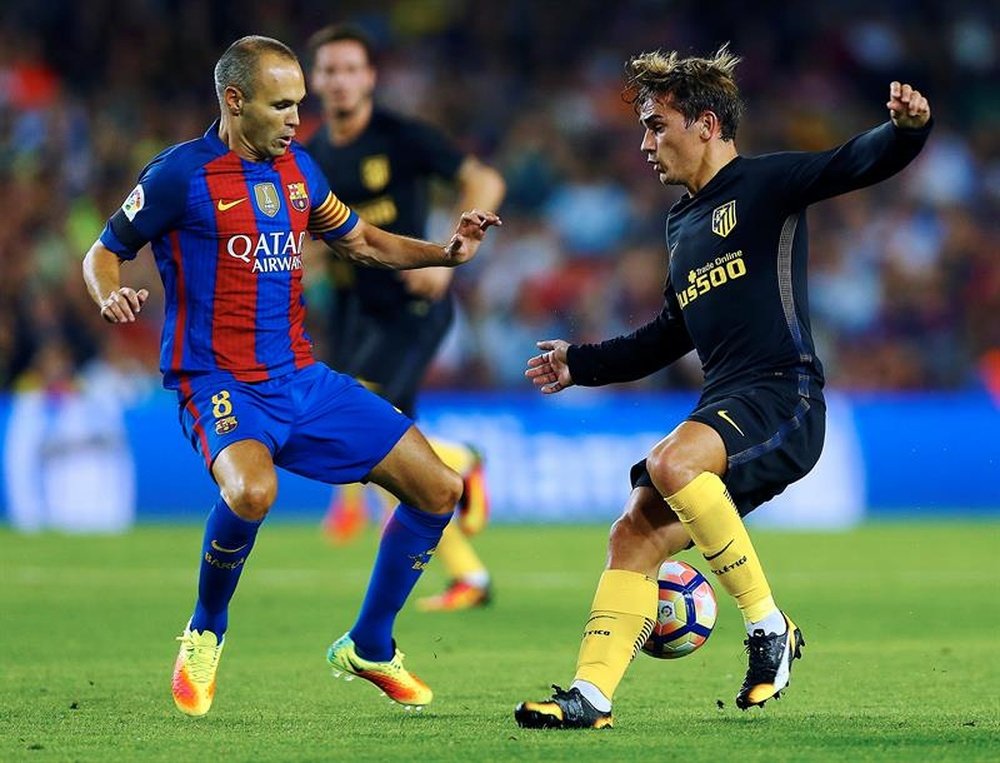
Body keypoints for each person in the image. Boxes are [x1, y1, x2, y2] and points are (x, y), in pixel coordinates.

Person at [81, 35, 500, 718]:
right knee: (251, 489)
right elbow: (102, 254)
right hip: (215, 378)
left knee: (438, 486)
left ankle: (370, 641)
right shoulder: (178, 175)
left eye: (300, 104)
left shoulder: (301, 171)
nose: (295, 119)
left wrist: (446, 254)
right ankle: (205, 628)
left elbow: (361, 240)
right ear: (234, 99)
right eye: (281, 105)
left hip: (300, 378)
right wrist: (108, 293)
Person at [515, 47, 932, 729]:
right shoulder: (680, 224)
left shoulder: (768, 184)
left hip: (784, 397)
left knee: (670, 461)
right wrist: (579, 363)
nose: (646, 144)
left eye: (657, 125)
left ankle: (769, 629)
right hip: (726, 405)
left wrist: (907, 130)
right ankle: (591, 695)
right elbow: (667, 334)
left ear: (706, 124)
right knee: (633, 532)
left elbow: (857, 160)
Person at [305, 24, 506, 611]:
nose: (340, 80)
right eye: (330, 70)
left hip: (413, 303)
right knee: (395, 463)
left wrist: (449, 257)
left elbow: (484, 178)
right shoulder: (312, 155)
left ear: (369, 77)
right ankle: (469, 575)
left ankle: (462, 460)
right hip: (351, 313)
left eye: (350, 69)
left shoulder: (401, 135)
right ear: (315, 81)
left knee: (371, 428)